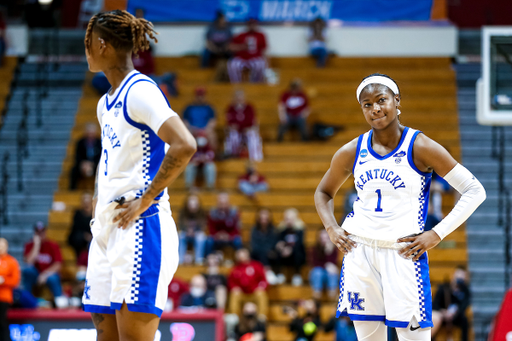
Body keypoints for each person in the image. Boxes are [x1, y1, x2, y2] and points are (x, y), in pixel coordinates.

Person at [314, 73, 486, 340]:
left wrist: (436, 233)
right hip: (359, 251)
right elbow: (323, 192)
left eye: (381, 100)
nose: (375, 109)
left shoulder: (421, 146)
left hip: (403, 253)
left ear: (397, 101)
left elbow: (475, 191)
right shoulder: (351, 150)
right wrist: (331, 228)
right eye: (367, 104)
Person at [83, 10, 197, 341]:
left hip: (140, 226)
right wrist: (96, 201)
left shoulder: (140, 90)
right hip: (107, 226)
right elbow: (110, 159)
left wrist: (147, 198)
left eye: (88, 43)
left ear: (102, 45)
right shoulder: (105, 103)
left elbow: (184, 144)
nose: (86, 50)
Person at [22, 222, 64, 303]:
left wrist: (45, 274)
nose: (40, 234)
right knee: (27, 271)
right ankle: (26, 302)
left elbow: (58, 264)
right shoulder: (29, 245)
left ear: (45, 232)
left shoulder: (53, 245)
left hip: (48, 274)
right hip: (35, 274)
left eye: (42, 232)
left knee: (53, 278)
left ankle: (59, 302)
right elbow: (28, 262)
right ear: (35, 233)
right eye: (38, 232)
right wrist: (36, 245)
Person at [431, 266, 470, 341]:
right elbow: (435, 304)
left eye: (461, 279)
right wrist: (443, 312)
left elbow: (464, 305)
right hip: (443, 315)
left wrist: (454, 313)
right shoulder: (444, 288)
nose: (459, 281)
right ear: (454, 276)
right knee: (434, 319)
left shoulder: (465, 290)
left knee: (464, 320)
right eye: (458, 278)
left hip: (455, 316)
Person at [224, 90, 263, 161]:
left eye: (241, 97)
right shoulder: (230, 108)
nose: (239, 99)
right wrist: (233, 128)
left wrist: (249, 129)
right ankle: (233, 156)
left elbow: (253, 121)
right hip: (236, 131)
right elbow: (229, 123)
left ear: (244, 98)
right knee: (233, 135)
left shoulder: (249, 107)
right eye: (237, 97)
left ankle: (255, 158)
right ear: (234, 98)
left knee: (252, 135)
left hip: (248, 130)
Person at [228, 248, 268, 316]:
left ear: (247, 255)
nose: (241, 256)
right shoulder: (235, 268)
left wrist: (260, 287)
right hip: (242, 294)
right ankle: (234, 317)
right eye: (239, 255)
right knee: (234, 294)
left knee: (261, 294)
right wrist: (234, 288)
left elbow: (264, 280)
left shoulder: (257, 265)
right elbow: (231, 282)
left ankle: (262, 317)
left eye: (243, 254)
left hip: (254, 293)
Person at [228, 19, 267, 83]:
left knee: (260, 64)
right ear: (247, 25)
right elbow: (230, 47)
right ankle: (236, 85)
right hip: (241, 58)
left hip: (255, 58)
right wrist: (241, 47)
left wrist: (267, 63)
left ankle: (255, 85)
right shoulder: (241, 35)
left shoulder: (261, 35)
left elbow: (264, 50)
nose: (252, 26)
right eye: (250, 24)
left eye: (253, 24)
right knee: (233, 64)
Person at [275, 208, 306, 286]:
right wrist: (282, 247)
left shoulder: (300, 230)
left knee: (299, 251)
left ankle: (297, 274)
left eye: (291, 219)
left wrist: (290, 249)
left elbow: (300, 243)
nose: (289, 221)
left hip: (295, 254)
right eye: (287, 219)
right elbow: (280, 242)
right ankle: (280, 274)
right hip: (284, 253)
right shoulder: (281, 230)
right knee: (276, 251)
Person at [249, 208, 279, 284]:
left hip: (270, 253)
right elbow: (254, 244)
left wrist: (266, 249)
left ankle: (266, 273)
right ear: (258, 219)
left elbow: (273, 243)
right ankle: (267, 271)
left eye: (265, 219)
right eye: (262, 219)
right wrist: (264, 249)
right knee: (259, 252)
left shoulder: (273, 230)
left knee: (269, 253)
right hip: (257, 253)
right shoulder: (254, 230)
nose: (264, 221)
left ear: (269, 219)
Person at [70, 123, 102, 190]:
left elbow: (101, 156)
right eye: (89, 133)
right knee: (73, 171)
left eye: (92, 133)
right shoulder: (80, 142)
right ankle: (72, 191)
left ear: (95, 133)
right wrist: (83, 163)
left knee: (101, 171)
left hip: (95, 164)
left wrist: (93, 164)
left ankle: (100, 190)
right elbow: (77, 155)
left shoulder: (99, 142)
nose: (91, 135)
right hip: (83, 164)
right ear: (86, 132)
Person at [178, 194, 207, 265]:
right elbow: (180, 225)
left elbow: (203, 225)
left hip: (197, 233)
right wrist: (186, 230)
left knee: (201, 237)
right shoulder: (182, 212)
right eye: (191, 204)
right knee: (180, 236)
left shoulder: (202, 212)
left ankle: (198, 260)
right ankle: (180, 260)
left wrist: (195, 231)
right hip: (185, 233)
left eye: (194, 204)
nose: (192, 206)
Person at [0, 238, 20, 341]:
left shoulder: (11, 261)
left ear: (7, 247)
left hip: (4, 297)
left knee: (2, 322)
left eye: (2, 245)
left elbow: (15, 281)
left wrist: (3, 280)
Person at [309, 230, 339, 299]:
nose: (324, 240)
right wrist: (326, 265)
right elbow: (315, 263)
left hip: (328, 273)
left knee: (332, 272)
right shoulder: (315, 249)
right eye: (322, 238)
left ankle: (332, 295)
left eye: (326, 238)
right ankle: (317, 295)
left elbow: (333, 263)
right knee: (318, 272)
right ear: (319, 239)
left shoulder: (333, 249)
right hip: (318, 272)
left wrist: (328, 251)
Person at [67, 192, 93, 259]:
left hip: (93, 236)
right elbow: (76, 228)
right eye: (85, 202)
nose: (86, 204)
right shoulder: (77, 213)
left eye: (88, 202)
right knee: (78, 237)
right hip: (80, 239)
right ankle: (80, 258)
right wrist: (85, 236)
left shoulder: (96, 213)